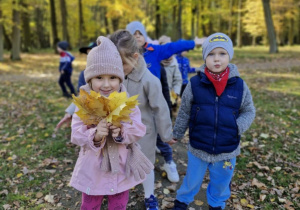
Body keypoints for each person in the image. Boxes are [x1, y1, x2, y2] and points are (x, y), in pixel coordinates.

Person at [171, 33, 256, 210]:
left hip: (227, 150)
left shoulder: (239, 86)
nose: (216, 59)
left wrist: (237, 127)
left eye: (222, 53)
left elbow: (249, 110)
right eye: (211, 54)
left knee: (220, 183)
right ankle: (181, 203)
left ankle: (216, 205)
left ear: (229, 56)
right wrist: (177, 133)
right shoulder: (195, 84)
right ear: (204, 57)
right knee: (191, 181)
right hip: (198, 148)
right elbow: (185, 111)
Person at [70, 36, 153, 210]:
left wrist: (123, 132)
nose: (106, 84)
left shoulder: (127, 103)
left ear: (120, 79)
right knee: (90, 205)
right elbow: (76, 134)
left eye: (113, 78)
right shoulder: (84, 104)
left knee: (119, 204)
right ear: (90, 79)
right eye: (99, 77)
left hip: (121, 168)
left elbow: (138, 129)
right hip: (93, 169)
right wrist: (95, 134)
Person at [126, 21, 206, 183]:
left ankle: (169, 162)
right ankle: (133, 166)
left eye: (140, 34)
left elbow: (174, 47)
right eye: (134, 35)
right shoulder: (123, 55)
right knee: (132, 139)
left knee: (161, 136)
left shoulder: (154, 51)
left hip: (154, 105)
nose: (138, 37)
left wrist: (195, 42)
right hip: (132, 107)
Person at [110, 29, 177, 210]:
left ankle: (149, 195)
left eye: (121, 64)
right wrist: (72, 111)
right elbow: (90, 90)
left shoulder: (149, 80)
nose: (116, 69)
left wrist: (166, 135)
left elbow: (160, 109)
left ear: (135, 57)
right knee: (119, 161)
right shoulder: (111, 77)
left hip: (143, 133)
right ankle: (116, 191)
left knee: (145, 164)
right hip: (117, 132)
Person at [55, 42, 97, 130]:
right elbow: (82, 95)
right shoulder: (83, 74)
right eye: (88, 54)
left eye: (94, 54)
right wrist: (70, 111)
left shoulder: (114, 74)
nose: (90, 57)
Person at [158, 35, 182, 105]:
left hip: (169, 96)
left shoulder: (174, 63)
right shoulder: (156, 62)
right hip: (157, 95)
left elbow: (178, 80)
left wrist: (175, 93)